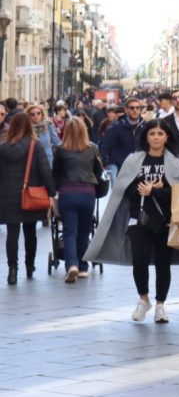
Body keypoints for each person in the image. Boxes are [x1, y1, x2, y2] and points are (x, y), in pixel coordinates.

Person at [86, 120, 179, 323]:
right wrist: (142, 190)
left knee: (163, 264)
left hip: (167, 221)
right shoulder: (134, 160)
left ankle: (161, 304)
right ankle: (143, 299)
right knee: (140, 261)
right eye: (152, 133)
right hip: (139, 220)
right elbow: (124, 189)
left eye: (160, 133)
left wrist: (155, 191)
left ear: (166, 137)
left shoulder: (174, 161)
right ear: (146, 136)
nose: (156, 137)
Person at [1, 113, 57, 284]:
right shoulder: (35, 145)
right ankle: (30, 266)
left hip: (7, 196)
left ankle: (12, 269)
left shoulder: (2, 148)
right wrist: (52, 191)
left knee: (12, 233)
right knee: (30, 231)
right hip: (30, 195)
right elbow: (45, 171)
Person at [52, 117, 104, 283]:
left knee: (69, 231)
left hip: (67, 193)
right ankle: (82, 266)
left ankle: (71, 265)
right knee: (84, 231)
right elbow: (98, 172)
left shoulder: (60, 149)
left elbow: (55, 173)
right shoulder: (93, 148)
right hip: (87, 193)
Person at [100, 97, 146, 181]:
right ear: (126, 110)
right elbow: (106, 145)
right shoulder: (117, 127)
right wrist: (106, 162)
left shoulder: (146, 126)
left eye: (137, 108)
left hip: (140, 167)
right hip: (120, 167)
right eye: (132, 108)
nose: (135, 110)